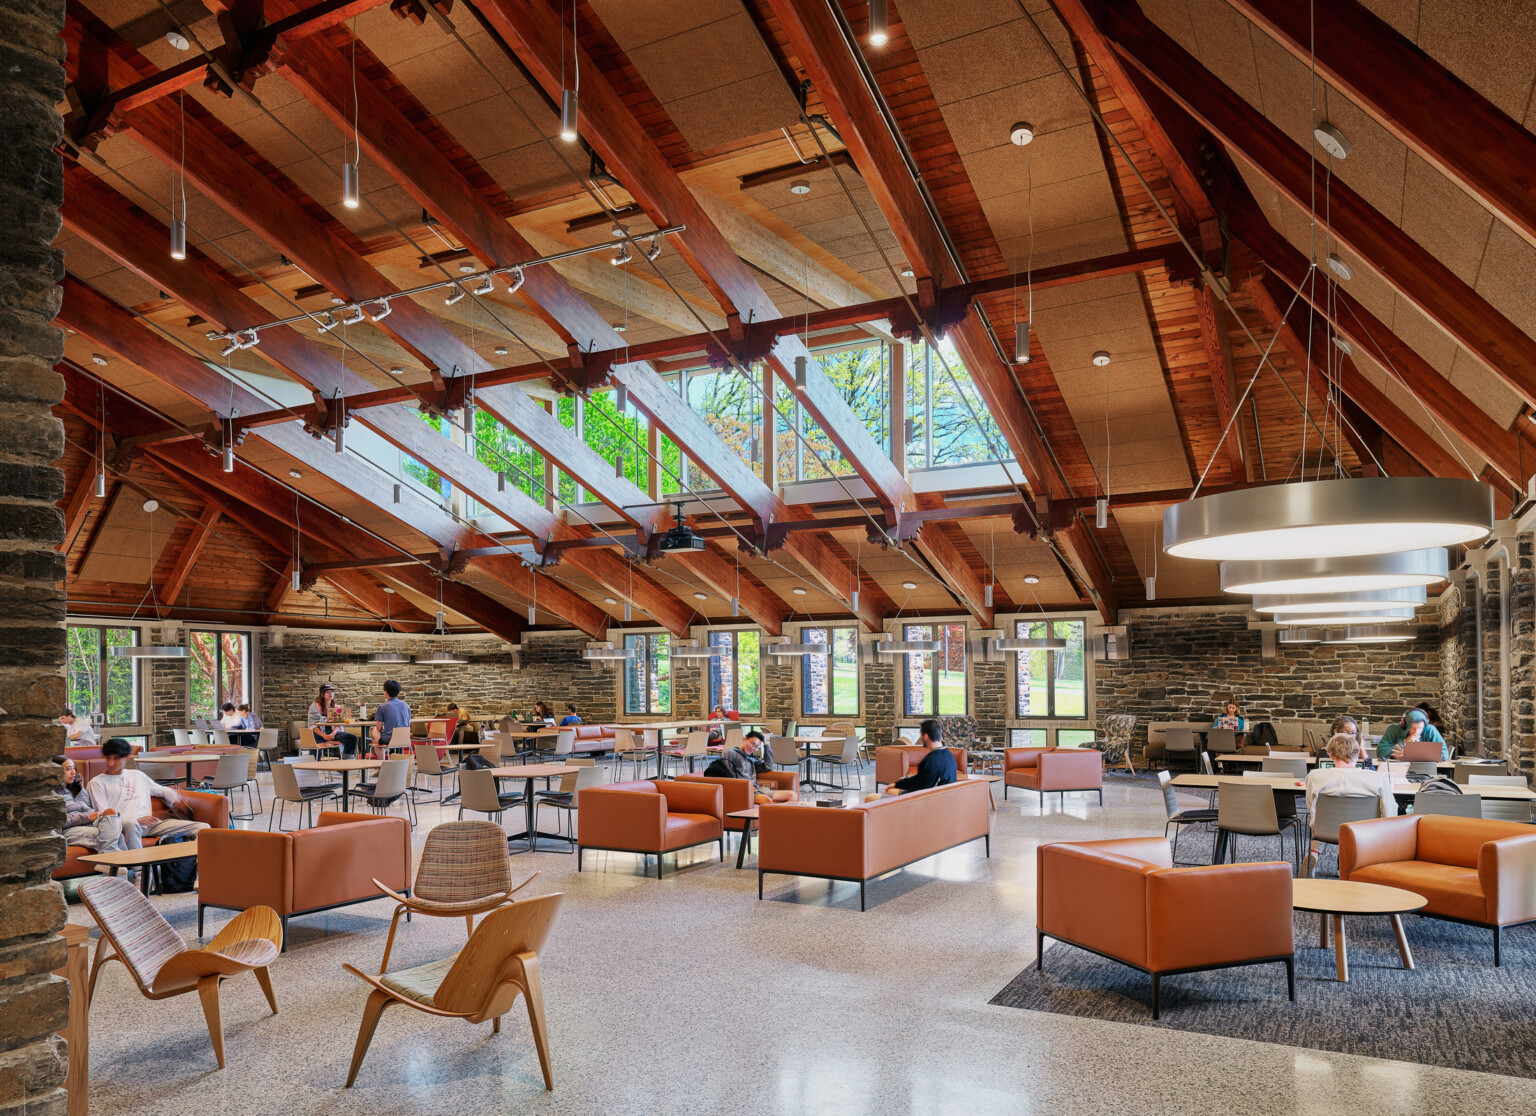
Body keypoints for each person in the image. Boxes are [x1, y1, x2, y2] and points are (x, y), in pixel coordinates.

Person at [85, 738, 206, 854]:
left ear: (127, 758)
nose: (110, 763)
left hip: (152, 824)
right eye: (108, 758)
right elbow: (104, 816)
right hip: (126, 826)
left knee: (203, 828)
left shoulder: (137, 775)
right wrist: (137, 820)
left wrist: (177, 802)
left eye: (116, 758)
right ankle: (140, 873)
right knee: (131, 824)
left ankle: (197, 870)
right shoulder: (96, 783)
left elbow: (162, 790)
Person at [868, 719, 956, 799]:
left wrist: (902, 789)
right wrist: (897, 784)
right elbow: (920, 779)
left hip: (923, 801)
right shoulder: (950, 756)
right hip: (941, 798)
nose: (920, 737)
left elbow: (920, 790)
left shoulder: (930, 761)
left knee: (870, 798)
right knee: (891, 790)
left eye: (920, 734)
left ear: (925, 736)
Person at [57, 757, 123, 855]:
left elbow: (87, 808)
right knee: (109, 834)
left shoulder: (78, 787)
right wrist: (86, 817)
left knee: (111, 813)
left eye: (74, 768)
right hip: (68, 829)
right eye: (68, 769)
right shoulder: (51, 794)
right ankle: (114, 863)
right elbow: (56, 821)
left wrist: (97, 814)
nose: (73, 772)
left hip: (89, 822)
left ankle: (115, 864)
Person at [715, 732, 794, 803]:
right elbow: (724, 776)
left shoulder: (751, 759)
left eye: (756, 746)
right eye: (752, 743)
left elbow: (768, 766)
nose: (753, 748)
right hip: (742, 791)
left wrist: (765, 744)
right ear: (745, 739)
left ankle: (786, 818)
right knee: (767, 800)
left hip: (757, 790)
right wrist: (744, 787)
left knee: (792, 795)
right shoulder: (730, 753)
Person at [1377, 707, 1447, 762]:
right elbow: (1380, 752)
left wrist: (1410, 755)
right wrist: (1404, 742)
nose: (1416, 731)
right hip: (1398, 770)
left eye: (1420, 728)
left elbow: (1444, 755)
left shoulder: (1430, 730)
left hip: (1425, 771)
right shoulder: (1392, 729)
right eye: (1412, 728)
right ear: (1405, 725)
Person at [309, 684, 359, 758]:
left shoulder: (336, 707)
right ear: (322, 694)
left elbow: (337, 724)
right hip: (319, 734)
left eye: (332, 692)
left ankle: (346, 763)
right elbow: (313, 725)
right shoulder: (314, 706)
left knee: (353, 738)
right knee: (315, 744)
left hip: (332, 733)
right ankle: (313, 765)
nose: (331, 694)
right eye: (328, 692)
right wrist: (324, 735)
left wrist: (333, 733)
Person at [371, 680, 412, 756]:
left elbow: (378, 729)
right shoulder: (406, 705)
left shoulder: (382, 707)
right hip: (405, 738)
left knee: (373, 731)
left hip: (389, 739)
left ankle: (381, 763)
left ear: (385, 692)